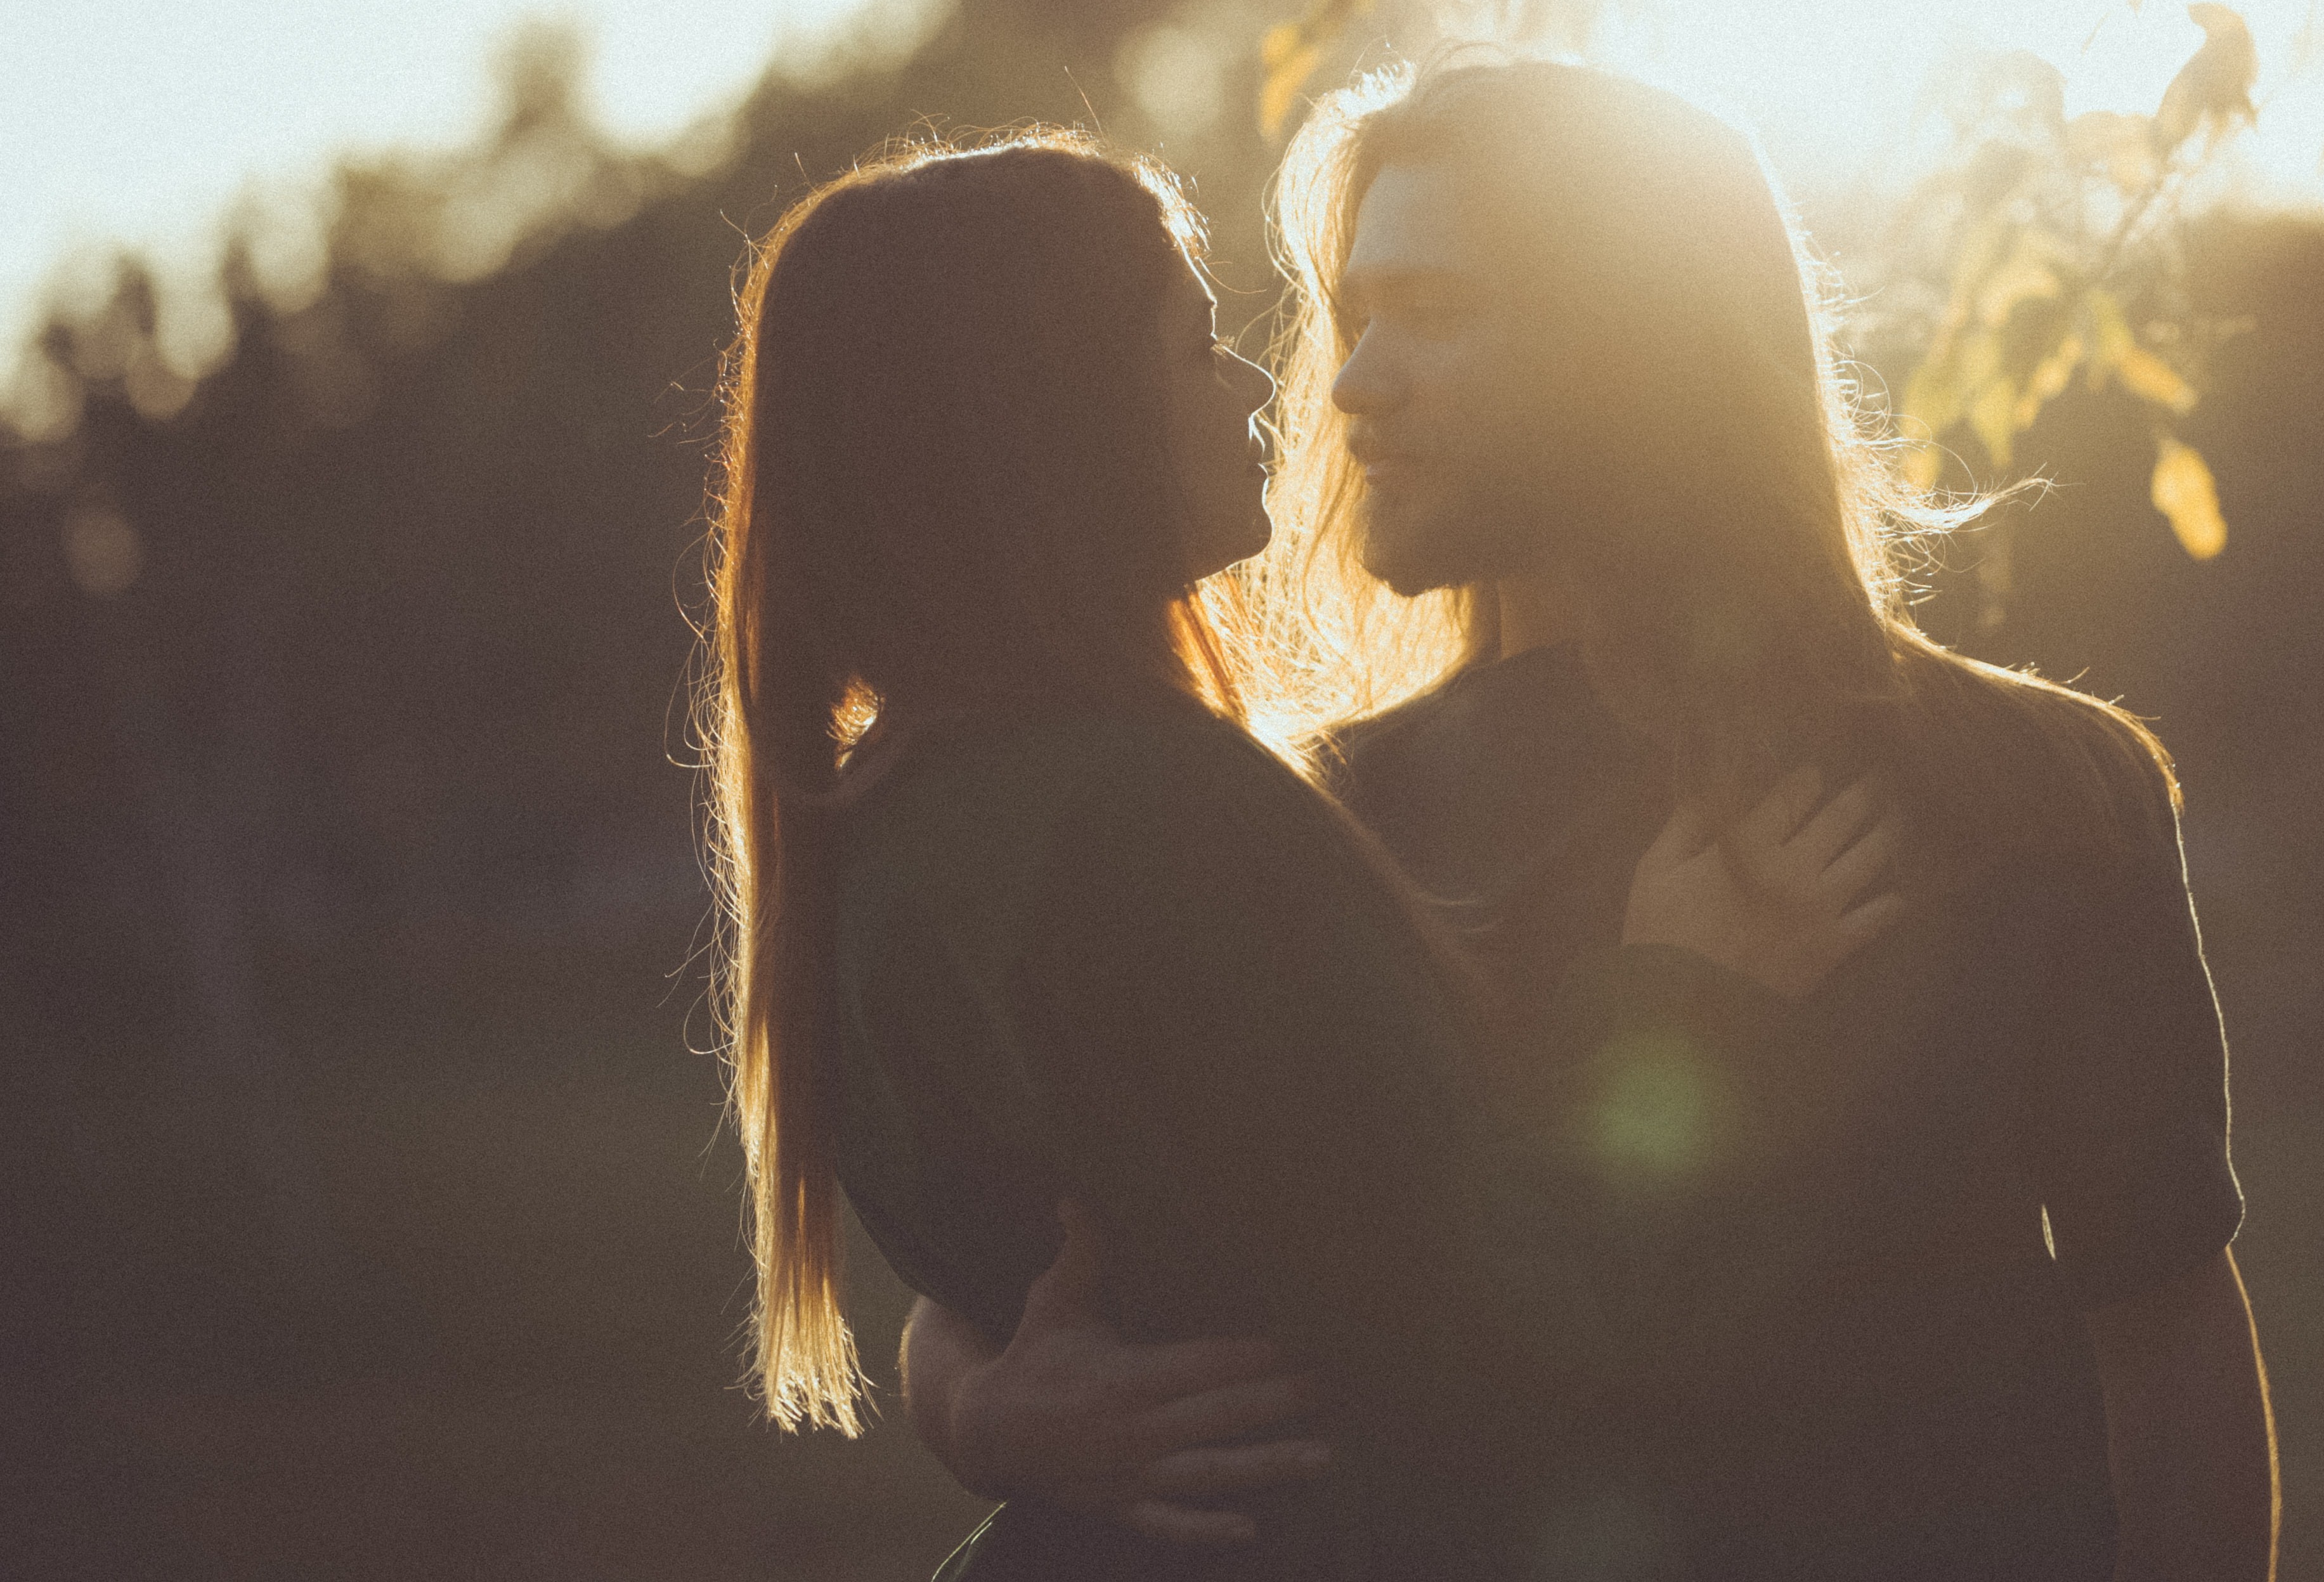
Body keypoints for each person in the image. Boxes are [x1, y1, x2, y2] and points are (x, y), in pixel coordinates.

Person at [908, 65, 2279, 1579]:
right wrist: (986, 1413)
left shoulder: (2032, 790)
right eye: (1350, 315)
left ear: (1642, 343)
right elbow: (1022, 1289)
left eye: (1432, 308)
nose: (1354, 381)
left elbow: (2166, 1340)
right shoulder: (1299, 829)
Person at [702, 134, 1907, 1579]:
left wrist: (978, 1406)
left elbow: (1127, 1263)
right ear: (1060, 425)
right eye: (1198, 349)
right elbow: (1483, 1337)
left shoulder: (878, 821)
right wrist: (1679, 994)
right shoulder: (1162, 822)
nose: (1280, 389)